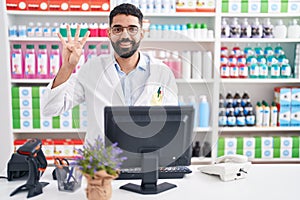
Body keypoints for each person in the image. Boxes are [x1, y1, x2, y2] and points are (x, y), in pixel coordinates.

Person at [41, 3, 178, 144]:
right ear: (109, 33)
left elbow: (171, 123)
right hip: (101, 160)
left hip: (145, 158)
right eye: (118, 29)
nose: (125, 35)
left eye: (132, 29)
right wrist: (67, 67)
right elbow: (50, 109)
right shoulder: (91, 70)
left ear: (141, 33)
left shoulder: (161, 72)